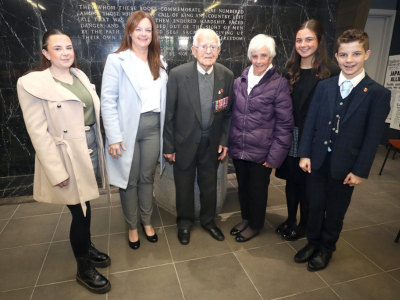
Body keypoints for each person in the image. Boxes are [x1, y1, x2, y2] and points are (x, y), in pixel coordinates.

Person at [16, 29, 111, 294]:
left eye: (68, 47)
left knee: (86, 204)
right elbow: (38, 133)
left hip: (89, 146)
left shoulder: (78, 75)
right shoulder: (32, 84)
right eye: (57, 48)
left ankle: (87, 247)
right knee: (79, 212)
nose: (65, 52)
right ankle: (83, 267)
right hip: (65, 155)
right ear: (46, 53)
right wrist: (57, 171)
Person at [295, 29, 390, 271]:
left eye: (356, 54)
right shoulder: (324, 87)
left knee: (335, 211)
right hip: (317, 160)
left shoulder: (377, 94)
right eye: (344, 55)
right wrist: (304, 153)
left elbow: (372, 137)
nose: (349, 60)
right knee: (314, 205)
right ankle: (312, 242)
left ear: (366, 54)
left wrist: (359, 171)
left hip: (345, 166)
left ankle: (327, 248)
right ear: (336, 57)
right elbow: (311, 123)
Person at [101, 11, 167, 250]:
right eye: (138, 29)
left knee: (147, 177)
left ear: (153, 34)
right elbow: (107, 100)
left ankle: (147, 222)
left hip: (153, 127)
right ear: (129, 31)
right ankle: (132, 226)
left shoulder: (159, 61)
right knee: (128, 180)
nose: (143, 34)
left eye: (148, 30)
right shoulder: (116, 60)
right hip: (127, 129)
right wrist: (114, 137)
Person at [163, 28, 234, 245]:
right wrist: (169, 146)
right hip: (184, 142)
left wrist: (223, 141)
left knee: (209, 185)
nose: (208, 51)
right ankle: (184, 223)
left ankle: (208, 221)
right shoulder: (177, 75)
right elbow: (170, 114)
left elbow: (228, 113)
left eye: (213, 46)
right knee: (183, 186)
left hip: (211, 143)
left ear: (219, 51)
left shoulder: (226, 76)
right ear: (193, 50)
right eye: (203, 46)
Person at [275, 19, 340, 241]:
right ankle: (291, 218)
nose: (303, 44)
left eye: (309, 39)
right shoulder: (290, 70)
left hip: (313, 138)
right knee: (291, 181)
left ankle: (304, 224)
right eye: (299, 40)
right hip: (290, 135)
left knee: (307, 185)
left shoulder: (330, 71)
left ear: (319, 41)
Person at [228, 34, 293, 242]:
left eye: (263, 56)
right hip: (240, 148)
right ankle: (246, 218)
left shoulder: (279, 84)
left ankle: (255, 225)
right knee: (243, 188)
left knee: (257, 191)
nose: (258, 60)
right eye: (254, 56)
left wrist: (274, 156)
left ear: (271, 57)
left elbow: (284, 124)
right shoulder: (239, 81)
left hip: (262, 151)